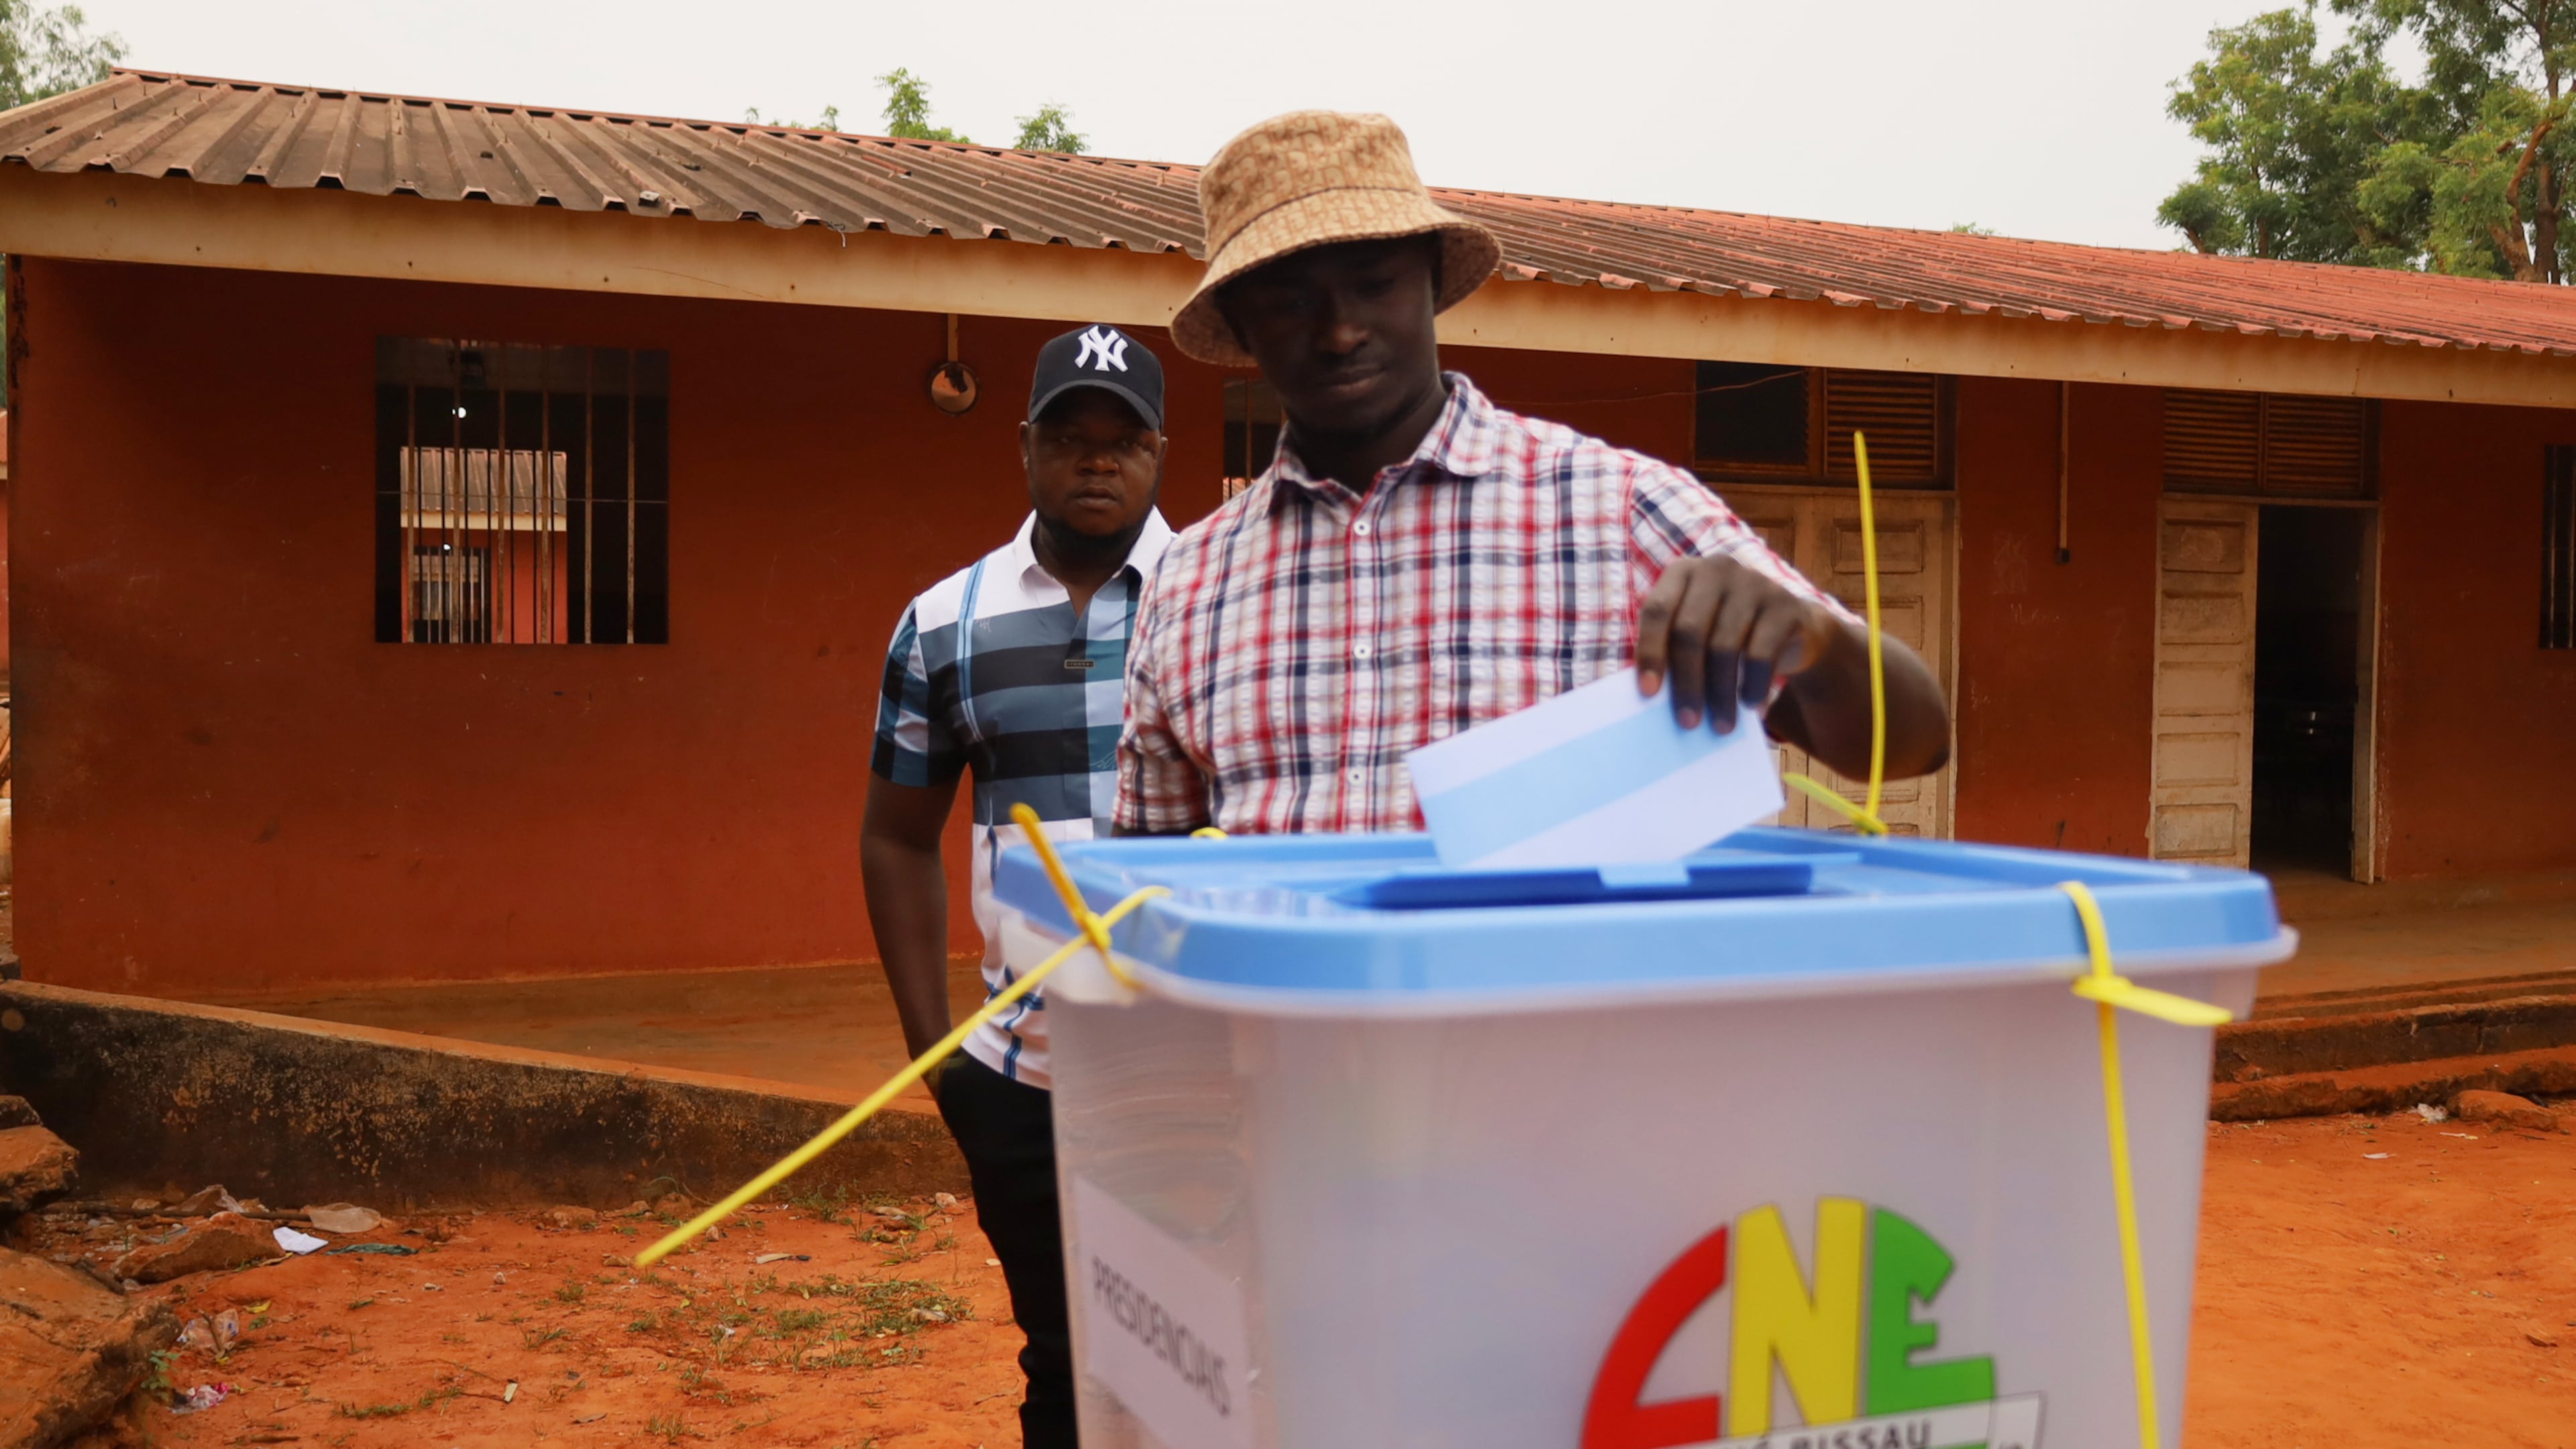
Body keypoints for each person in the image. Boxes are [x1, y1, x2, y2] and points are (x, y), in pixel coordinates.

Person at [1117, 111, 1949, 840]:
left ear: (1433, 284)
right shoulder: (1190, 582)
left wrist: (1815, 637)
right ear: (1239, 324)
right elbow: (1148, 888)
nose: (1341, 333)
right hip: (1283, 1023)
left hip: (1565, 1022)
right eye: (1292, 303)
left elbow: (1914, 740)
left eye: (1375, 286)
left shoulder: (1621, 509)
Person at [861, 323, 1171, 1448]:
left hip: (1202, 1069)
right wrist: (936, 1051)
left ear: (1161, 454)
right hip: (1024, 1077)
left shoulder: (1225, 605)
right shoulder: (946, 624)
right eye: (1070, 436)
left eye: (1125, 439)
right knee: (1064, 1368)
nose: (1099, 461)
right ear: (1024, 447)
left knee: (1208, 1359)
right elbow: (898, 837)